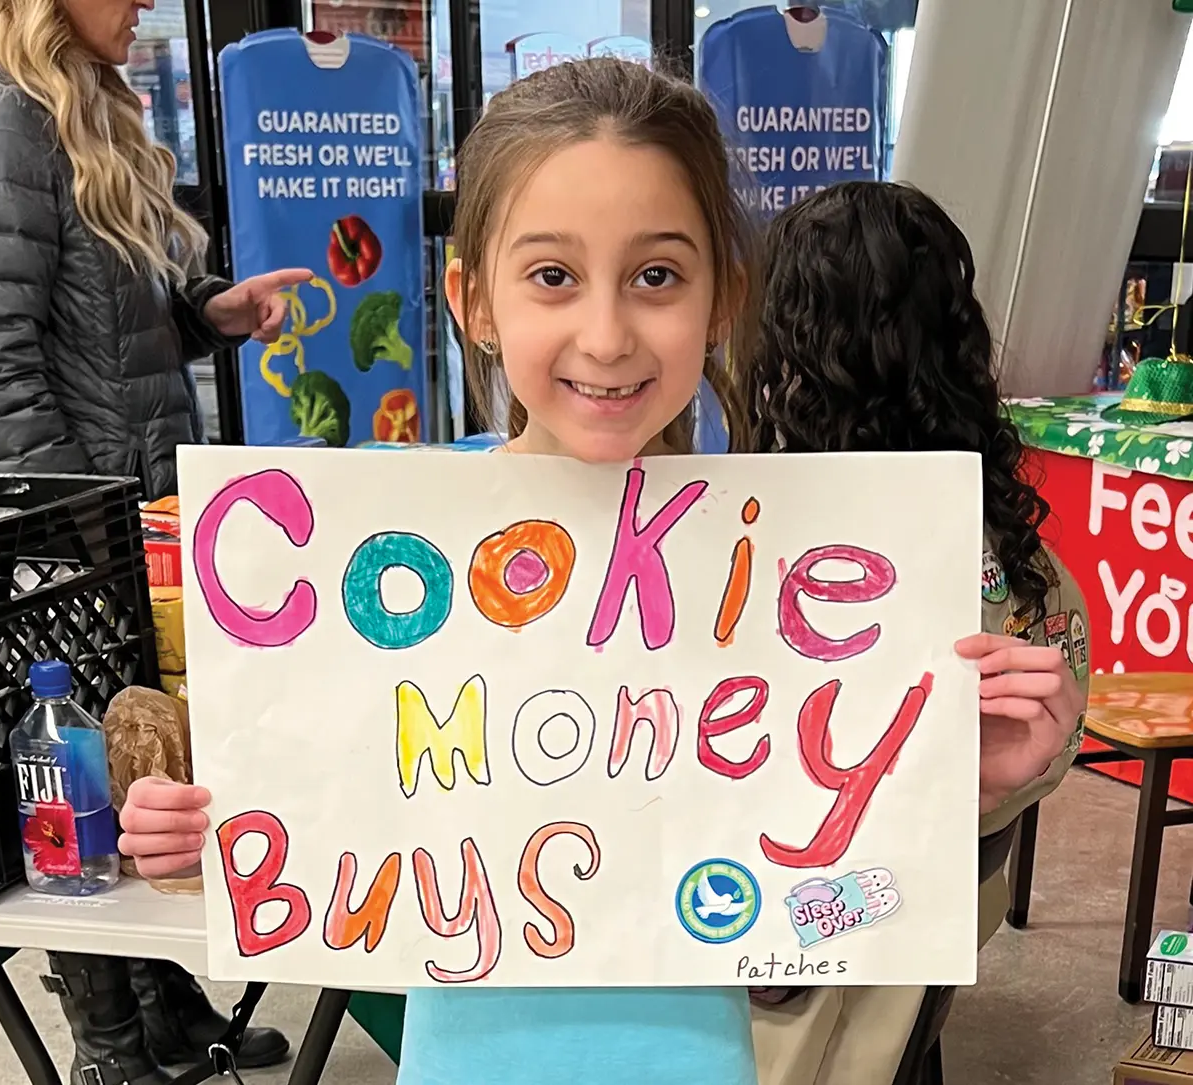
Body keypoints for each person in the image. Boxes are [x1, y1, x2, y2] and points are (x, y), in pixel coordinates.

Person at [117, 60, 1086, 1085]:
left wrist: (942, 791)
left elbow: (828, 916)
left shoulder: (787, 581)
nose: (608, 335)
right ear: (472, 299)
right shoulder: (384, 569)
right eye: (552, 275)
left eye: (657, 275)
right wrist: (202, 835)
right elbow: (315, 814)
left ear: (724, 298)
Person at [0, 2, 302, 1082]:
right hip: (71, 535)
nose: (145, 5)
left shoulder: (81, 111)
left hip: (131, 517)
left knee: (142, 760)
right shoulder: (10, 121)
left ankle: (164, 1011)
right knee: (70, 777)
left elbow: (101, 324)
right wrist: (79, 521)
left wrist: (206, 315)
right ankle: (107, 1048)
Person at [740, 180, 1090, 1084]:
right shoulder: (1022, 559)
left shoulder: (740, 549)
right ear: (957, 337)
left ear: (781, 342)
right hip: (924, 958)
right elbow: (1044, 739)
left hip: (788, 966)